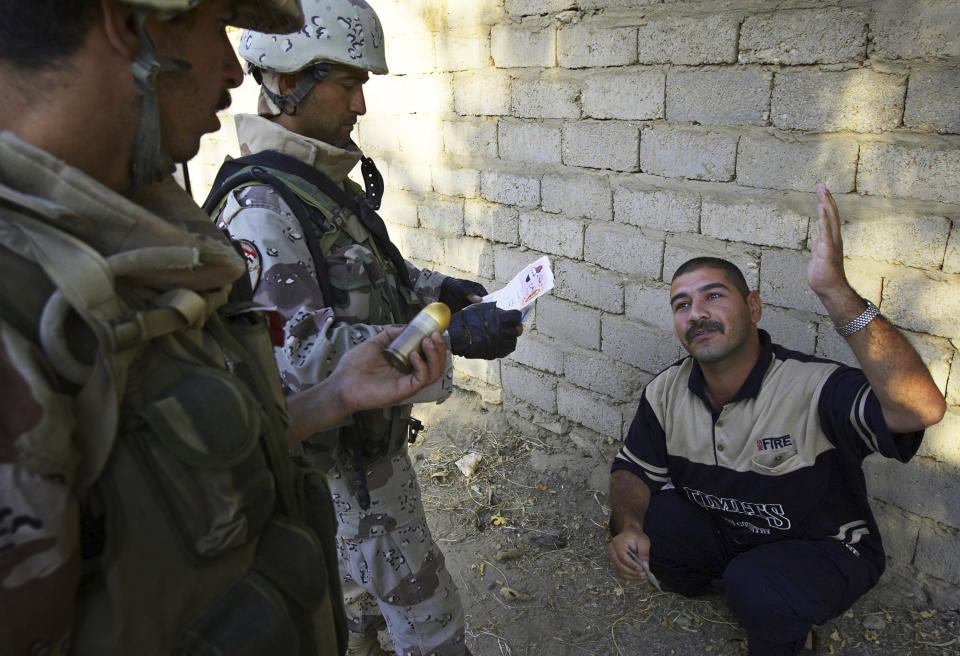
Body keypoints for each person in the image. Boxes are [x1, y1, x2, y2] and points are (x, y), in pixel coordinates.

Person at [0, 1, 448, 654]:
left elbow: (200, 458)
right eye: (217, 31)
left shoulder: (142, 238)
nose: (237, 71)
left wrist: (339, 393)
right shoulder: (27, 303)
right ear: (128, 26)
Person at [205, 2, 523, 654]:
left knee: (354, 615)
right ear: (289, 81)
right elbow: (294, 356)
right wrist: (448, 339)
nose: (360, 104)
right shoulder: (262, 207)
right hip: (340, 469)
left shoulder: (315, 184)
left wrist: (447, 295)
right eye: (347, 83)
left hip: (365, 455)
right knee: (431, 627)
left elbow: (376, 278)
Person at [607, 184, 946, 656]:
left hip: (826, 547)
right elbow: (632, 470)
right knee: (649, 524)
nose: (696, 313)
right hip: (732, 535)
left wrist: (835, 291)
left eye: (713, 297)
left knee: (758, 588)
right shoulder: (667, 389)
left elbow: (919, 409)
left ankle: (785, 625)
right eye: (681, 305)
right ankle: (751, 589)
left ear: (754, 307)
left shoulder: (813, 386)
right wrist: (628, 526)